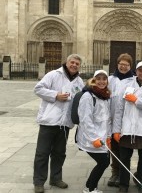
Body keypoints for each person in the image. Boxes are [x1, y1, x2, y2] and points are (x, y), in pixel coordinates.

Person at [33, 54, 84, 193]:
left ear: (80, 66)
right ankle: (39, 182)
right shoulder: (53, 75)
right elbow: (38, 89)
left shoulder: (80, 82)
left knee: (60, 153)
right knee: (42, 153)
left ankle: (55, 178)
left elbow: (81, 102)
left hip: (65, 123)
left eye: (77, 64)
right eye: (72, 62)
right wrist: (55, 95)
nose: (74, 65)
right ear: (66, 63)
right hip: (49, 121)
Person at [113, 61, 142, 193]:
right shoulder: (127, 86)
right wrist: (116, 130)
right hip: (127, 129)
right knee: (124, 158)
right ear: (136, 71)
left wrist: (137, 100)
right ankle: (123, 185)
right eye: (140, 70)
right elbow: (119, 109)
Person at [76, 70, 112, 193]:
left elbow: (107, 119)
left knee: (104, 161)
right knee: (104, 162)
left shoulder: (106, 96)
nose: (101, 81)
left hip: (102, 137)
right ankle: (90, 189)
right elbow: (85, 120)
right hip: (91, 138)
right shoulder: (88, 96)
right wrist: (93, 139)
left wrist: (108, 136)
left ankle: (89, 185)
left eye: (104, 79)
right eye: (99, 79)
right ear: (94, 80)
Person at [107, 53, 135, 187]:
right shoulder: (109, 79)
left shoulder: (134, 80)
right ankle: (115, 172)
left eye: (126, 65)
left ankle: (123, 174)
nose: (123, 67)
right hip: (111, 119)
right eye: (121, 64)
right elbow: (95, 88)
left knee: (124, 148)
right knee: (114, 147)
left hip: (127, 120)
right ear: (117, 64)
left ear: (130, 66)